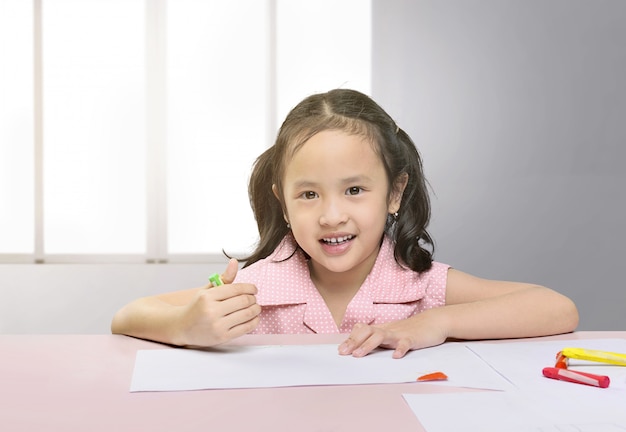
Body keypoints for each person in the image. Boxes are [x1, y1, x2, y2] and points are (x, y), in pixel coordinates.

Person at [111, 89, 578, 358]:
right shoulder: (257, 288)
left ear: (395, 192)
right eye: (309, 194)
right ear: (283, 202)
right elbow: (127, 315)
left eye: (355, 190)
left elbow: (556, 308)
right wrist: (187, 327)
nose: (332, 214)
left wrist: (435, 324)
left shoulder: (421, 287)